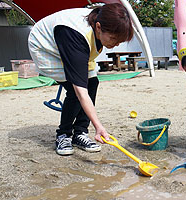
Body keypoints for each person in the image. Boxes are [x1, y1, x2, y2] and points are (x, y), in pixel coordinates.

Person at [28, 3, 134, 155]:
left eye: (119, 42)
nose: (115, 44)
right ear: (98, 27)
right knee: (75, 90)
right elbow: (80, 91)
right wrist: (99, 126)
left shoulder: (100, 22)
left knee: (92, 83)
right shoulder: (75, 34)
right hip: (45, 47)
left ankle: (80, 133)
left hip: (73, 45)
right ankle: (63, 134)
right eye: (113, 39)